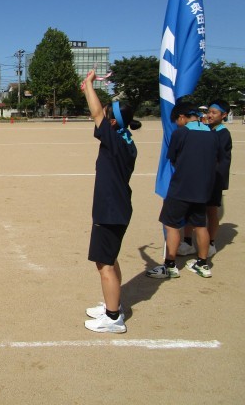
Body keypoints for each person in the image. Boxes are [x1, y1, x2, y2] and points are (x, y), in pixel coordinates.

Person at [80, 71, 140, 334]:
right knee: (111, 259)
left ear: (113, 121)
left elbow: (96, 113)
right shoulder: (125, 139)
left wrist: (89, 84)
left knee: (104, 263)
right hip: (117, 207)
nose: (101, 117)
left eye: (106, 115)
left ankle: (113, 318)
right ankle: (112, 304)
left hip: (110, 210)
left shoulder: (114, 140)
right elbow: (99, 114)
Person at [146, 102, 221, 280]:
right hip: (203, 189)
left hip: (181, 187)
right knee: (200, 225)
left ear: (181, 117)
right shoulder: (212, 134)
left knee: (171, 225)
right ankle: (202, 263)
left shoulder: (181, 133)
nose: (176, 124)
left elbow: (173, 158)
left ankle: (170, 265)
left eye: (176, 121)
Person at [177, 99, 232, 258]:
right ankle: (188, 242)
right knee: (191, 208)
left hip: (214, 179)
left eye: (214, 113)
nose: (210, 115)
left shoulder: (223, 134)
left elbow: (221, 160)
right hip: (199, 178)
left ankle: (211, 243)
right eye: (209, 111)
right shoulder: (205, 129)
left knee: (211, 211)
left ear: (224, 115)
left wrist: (213, 178)